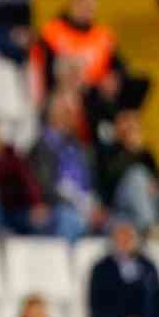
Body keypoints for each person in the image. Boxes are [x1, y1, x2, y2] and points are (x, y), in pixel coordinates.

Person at [32, 0, 149, 114]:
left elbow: (120, 65)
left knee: (139, 84)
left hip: (98, 91)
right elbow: (43, 69)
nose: (88, 6)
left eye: (92, 2)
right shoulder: (52, 31)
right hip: (67, 91)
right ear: (71, 2)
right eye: (83, 1)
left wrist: (114, 77)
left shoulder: (103, 36)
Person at [28, 91, 100, 242]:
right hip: (56, 208)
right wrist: (76, 203)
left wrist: (94, 205)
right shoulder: (41, 146)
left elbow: (90, 183)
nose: (68, 114)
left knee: (119, 225)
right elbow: (44, 186)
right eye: (63, 109)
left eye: (71, 110)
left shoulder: (81, 148)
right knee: (68, 218)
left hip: (84, 206)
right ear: (51, 113)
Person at [87, 219, 159, 317]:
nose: (125, 240)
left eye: (129, 236)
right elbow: (97, 306)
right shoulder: (101, 269)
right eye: (121, 235)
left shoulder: (148, 266)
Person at [97, 110, 159, 233]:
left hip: (146, 200)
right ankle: (150, 226)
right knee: (137, 174)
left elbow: (157, 178)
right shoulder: (109, 150)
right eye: (127, 125)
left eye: (134, 126)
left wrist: (156, 184)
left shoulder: (146, 153)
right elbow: (111, 178)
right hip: (119, 201)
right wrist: (130, 151)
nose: (131, 130)